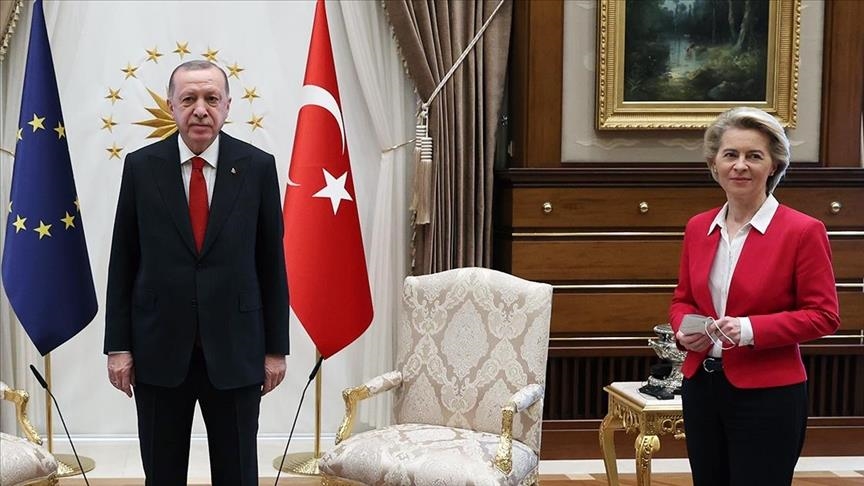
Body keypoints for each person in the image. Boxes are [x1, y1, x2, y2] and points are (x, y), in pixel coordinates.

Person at [104, 60, 290, 485]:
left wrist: (276, 349)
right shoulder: (141, 167)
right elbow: (123, 259)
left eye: (211, 98)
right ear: (171, 106)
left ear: (228, 106)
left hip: (237, 350)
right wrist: (118, 346)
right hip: (158, 351)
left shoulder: (258, 167)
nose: (200, 109)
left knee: (237, 473)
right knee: (162, 474)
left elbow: (271, 264)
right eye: (188, 99)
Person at [669, 107, 840, 486]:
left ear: (774, 164)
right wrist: (684, 330)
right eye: (730, 154)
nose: (740, 165)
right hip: (701, 388)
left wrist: (748, 330)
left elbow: (824, 315)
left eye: (754, 156)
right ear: (714, 163)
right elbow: (683, 300)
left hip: (769, 395)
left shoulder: (803, 231)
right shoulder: (698, 227)